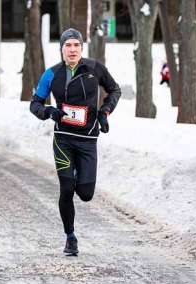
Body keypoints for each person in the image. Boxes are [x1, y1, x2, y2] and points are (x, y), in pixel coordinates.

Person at [29, 28, 121, 255]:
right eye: (68, 46)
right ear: (61, 49)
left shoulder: (95, 68)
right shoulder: (51, 74)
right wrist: (49, 111)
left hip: (88, 139)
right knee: (67, 188)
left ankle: (79, 175)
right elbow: (35, 104)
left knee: (86, 194)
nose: (72, 50)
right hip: (63, 139)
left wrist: (104, 112)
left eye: (76, 46)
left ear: (81, 48)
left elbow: (114, 90)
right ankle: (70, 238)